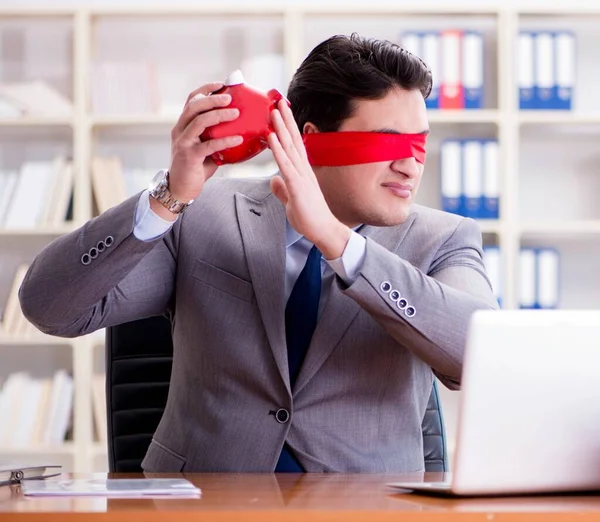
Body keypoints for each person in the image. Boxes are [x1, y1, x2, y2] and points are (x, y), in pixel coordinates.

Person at [19, 34, 498, 473]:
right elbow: (50, 308)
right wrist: (167, 199)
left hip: (366, 506)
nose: (410, 163)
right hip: (205, 503)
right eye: (389, 141)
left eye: (420, 143)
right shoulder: (202, 215)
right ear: (310, 140)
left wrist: (338, 242)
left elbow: (480, 357)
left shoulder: (446, 238)